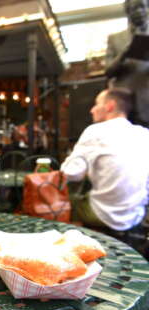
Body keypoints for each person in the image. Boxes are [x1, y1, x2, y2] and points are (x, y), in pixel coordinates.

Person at [61, 88, 149, 244]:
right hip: (136, 215)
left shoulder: (95, 131)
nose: (92, 109)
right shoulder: (144, 134)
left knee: (68, 202)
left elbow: (70, 173)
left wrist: (85, 170)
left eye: (96, 104)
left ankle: (75, 249)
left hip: (103, 214)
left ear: (109, 106)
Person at [105, 0, 149, 127]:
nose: (140, 11)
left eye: (143, 7)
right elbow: (108, 71)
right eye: (135, 8)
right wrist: (124, 53)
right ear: (128, 11)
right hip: (124, 105)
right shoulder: (115, 39)